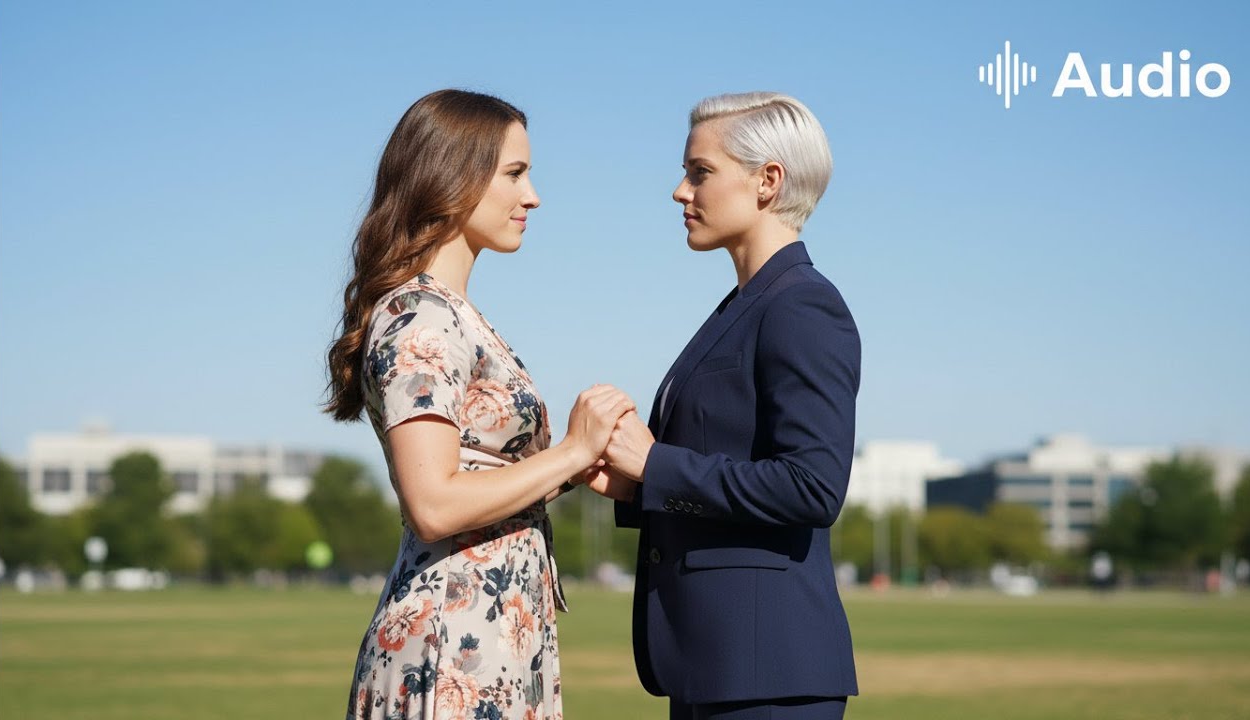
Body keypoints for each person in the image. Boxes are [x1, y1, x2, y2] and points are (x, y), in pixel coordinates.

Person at [323, 89, 635, 720]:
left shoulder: (454, 313)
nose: (533, 196)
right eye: (515, 173)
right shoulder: (420, 317)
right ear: (454, 176)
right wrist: (571, 449)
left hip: (492, 636)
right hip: (451, 644)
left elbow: (480, 476)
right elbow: (435, 504)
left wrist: (577, 470)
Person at [591, 92, 862, 719]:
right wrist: (635, 486)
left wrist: (655, 464)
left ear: (768, 181)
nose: (680, 192)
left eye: (699, 172)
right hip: (715, 670)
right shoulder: (746, 306)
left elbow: (813, 486)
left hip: (767, 679)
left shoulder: (801, 306)